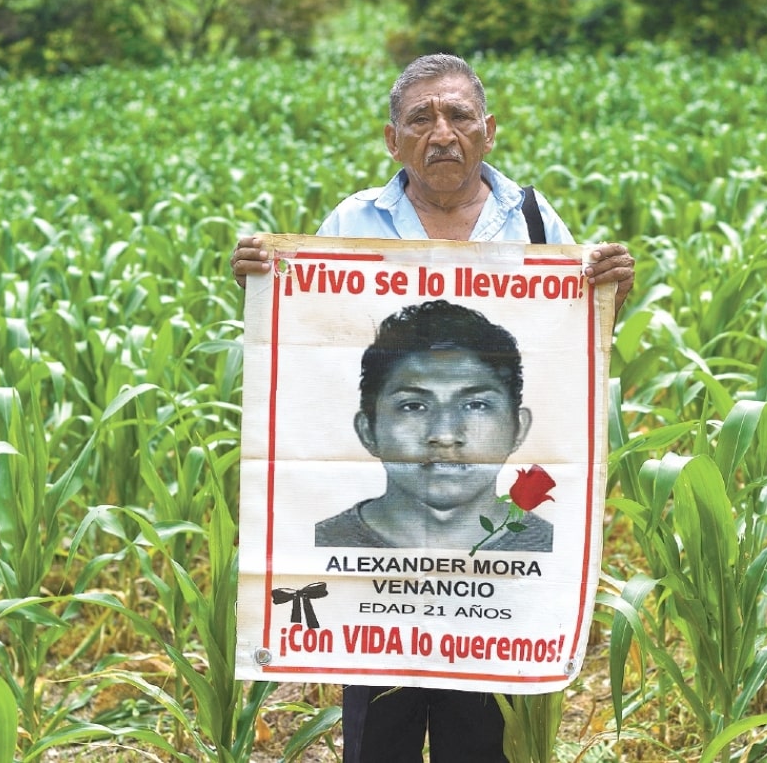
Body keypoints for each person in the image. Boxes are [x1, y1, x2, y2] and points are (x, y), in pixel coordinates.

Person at [232, 53, 635, 763]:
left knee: (480, 742)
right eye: (421, 118)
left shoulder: (536, 222)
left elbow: (572, 352)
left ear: (489, 131)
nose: (442, 132)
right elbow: (316, 345)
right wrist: (265, 284)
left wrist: (611, 293)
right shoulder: (352, 219)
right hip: (372, 598)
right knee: (377, 741)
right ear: (393, 140)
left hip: (495, 593)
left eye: (459, 115)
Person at [314, 298, 552, 552]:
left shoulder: (566, 550)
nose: (445, 435)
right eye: (413, 406)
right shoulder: (306, 548)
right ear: (367, 431)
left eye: (476, 405)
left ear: (519, 428)